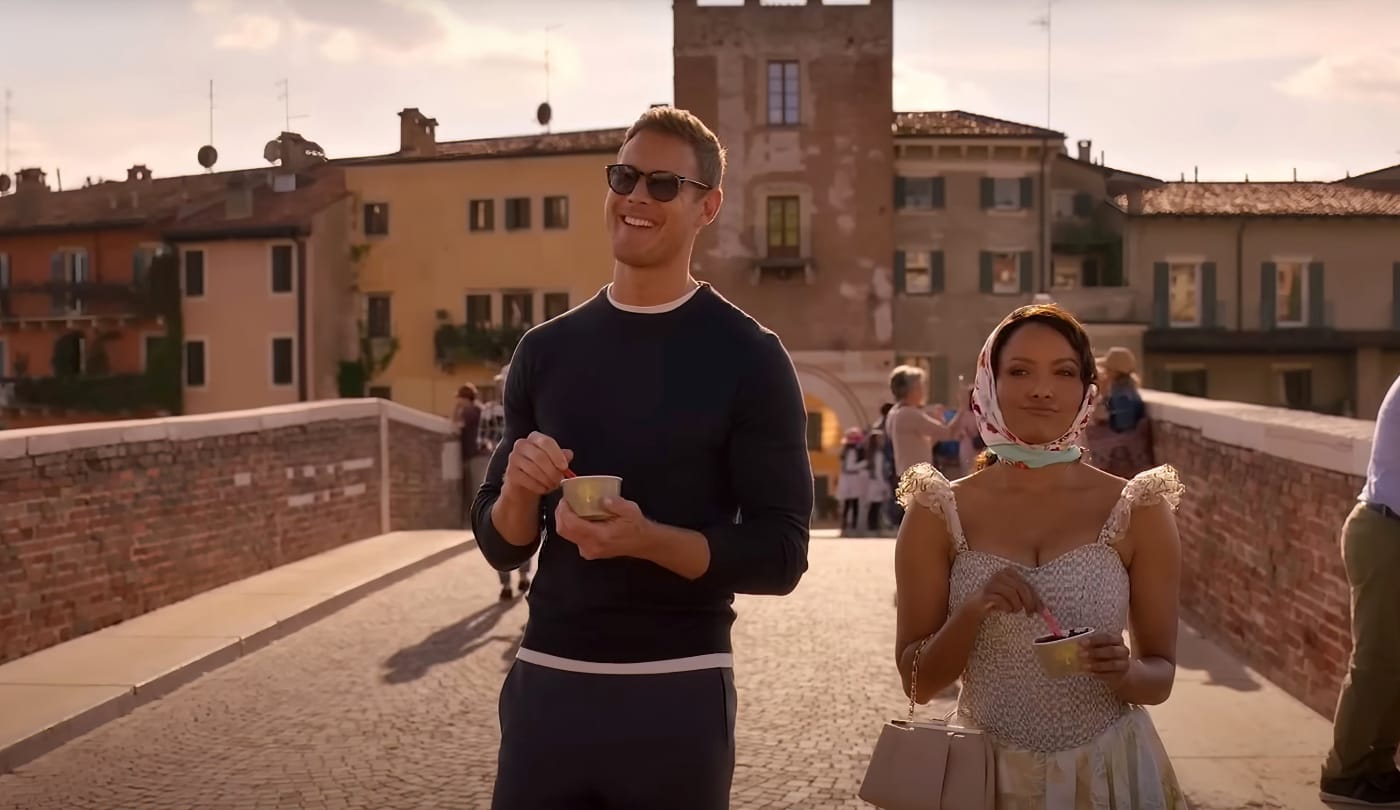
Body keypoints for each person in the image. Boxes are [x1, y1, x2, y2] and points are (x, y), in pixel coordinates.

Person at [471, 105, 813, 810]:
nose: (636, 197)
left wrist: (647, 541)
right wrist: (515, 489)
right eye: (624, 176)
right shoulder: (546, 350)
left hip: (678, 689)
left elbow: (781, 555)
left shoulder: (750, 357)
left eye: (662, 184)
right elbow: (502, 546)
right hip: (548, 685)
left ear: (707, 206)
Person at [893, 303, 1187, 808]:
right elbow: (917, 682)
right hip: (983, 780)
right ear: (989, 384)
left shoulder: (1139, 507)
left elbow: (1159, 675)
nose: (1042, 389)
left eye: (1064, 372)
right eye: (1020, 371)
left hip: (1108, 777)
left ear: (1087, 390)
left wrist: (1125, 672)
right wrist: (971, 611)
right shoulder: (937, 509)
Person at [1321, 373, 1400, 806]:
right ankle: (1343, 772)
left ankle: (1379, 766)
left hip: (1388, 527)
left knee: (1393, 661)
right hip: (1386, 531)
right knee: (1376, 660)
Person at [885, 365, 952, 525]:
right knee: (925, 521)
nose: (923, 390)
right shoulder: (909, 413)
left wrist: (936, 418)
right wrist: (963, 409)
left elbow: (927, 442)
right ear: (912, 389)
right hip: (919, 476)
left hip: (907, 474)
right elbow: (948, 433)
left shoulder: (895, 413)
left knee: (917, 521)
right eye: (921, 386)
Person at [837, 427, 869, 535]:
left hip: (848, 479)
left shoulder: (846, 451)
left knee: (848, 504)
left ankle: (846, 527)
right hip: (851, 478)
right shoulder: (852, 451)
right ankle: (850, 528)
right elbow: (850, 467)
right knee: (852, 504)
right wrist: (864, 463)